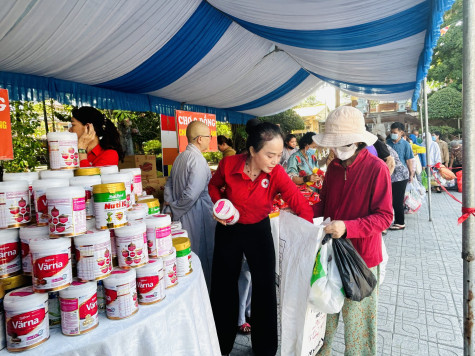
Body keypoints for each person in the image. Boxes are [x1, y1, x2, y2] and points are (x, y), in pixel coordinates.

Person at [208, 122, 313, 356]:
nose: (276, 160)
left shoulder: (276, 173)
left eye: (278, 154)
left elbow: (298, 202)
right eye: (270, 155)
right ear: (252, 151)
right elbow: (214, 186)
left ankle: (264, 348)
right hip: (229, 228)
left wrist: (311, 237)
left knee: (265, 286)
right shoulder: (229, 164)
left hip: (259, 229)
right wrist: (219, 204)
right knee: (224, 286)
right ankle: (221, 344)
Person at [313, 106, 393, 356]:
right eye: (333, 145)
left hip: (362, 261)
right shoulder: (333, 169)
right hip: (331, 256)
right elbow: (324, 205)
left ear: (358, 141)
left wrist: (347, 227)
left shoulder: (377, 168)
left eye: (342, 144)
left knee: (359, 331)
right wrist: (300, 212)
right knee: (322, 322)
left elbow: (385, 217)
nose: (336, 150)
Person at [164, 121, 216, 287]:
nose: (210, 140)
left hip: (181, 213)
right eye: (209, 137)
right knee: (199, 255)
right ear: (200, 139)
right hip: (195, 213)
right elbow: (191, 194)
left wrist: (171, 204)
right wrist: (175, 208)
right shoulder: (197, 160)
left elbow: (169, 184)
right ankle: (204, 293)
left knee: (186, 254)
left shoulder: (180, 156)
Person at [387, 122, 414, 230]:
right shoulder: (387, 142)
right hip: (389, 174)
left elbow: (408, 160)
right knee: (389, 199)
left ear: (401, 132)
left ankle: (400, 222)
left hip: (401, 175)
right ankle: (390, 219)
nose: (392, 134)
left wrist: (411, 174)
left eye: (395, 132)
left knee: (397, 200)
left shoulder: (406, 144)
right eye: (391, 132)